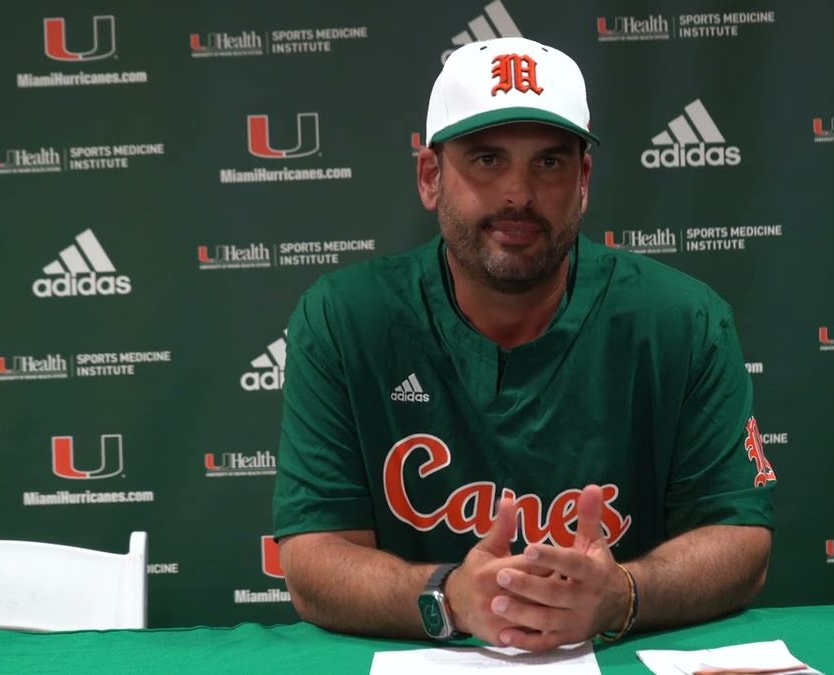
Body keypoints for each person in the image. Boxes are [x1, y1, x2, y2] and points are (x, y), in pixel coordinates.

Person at [272, 36, 776, 652]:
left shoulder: (683, 320)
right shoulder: (346, 317)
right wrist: (449, 596)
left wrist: (621, 594)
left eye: (549, 163)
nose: (519, 194)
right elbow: (313, 558)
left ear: (583, 179)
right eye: (487, 159)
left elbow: (739, 539)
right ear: (431, 176)